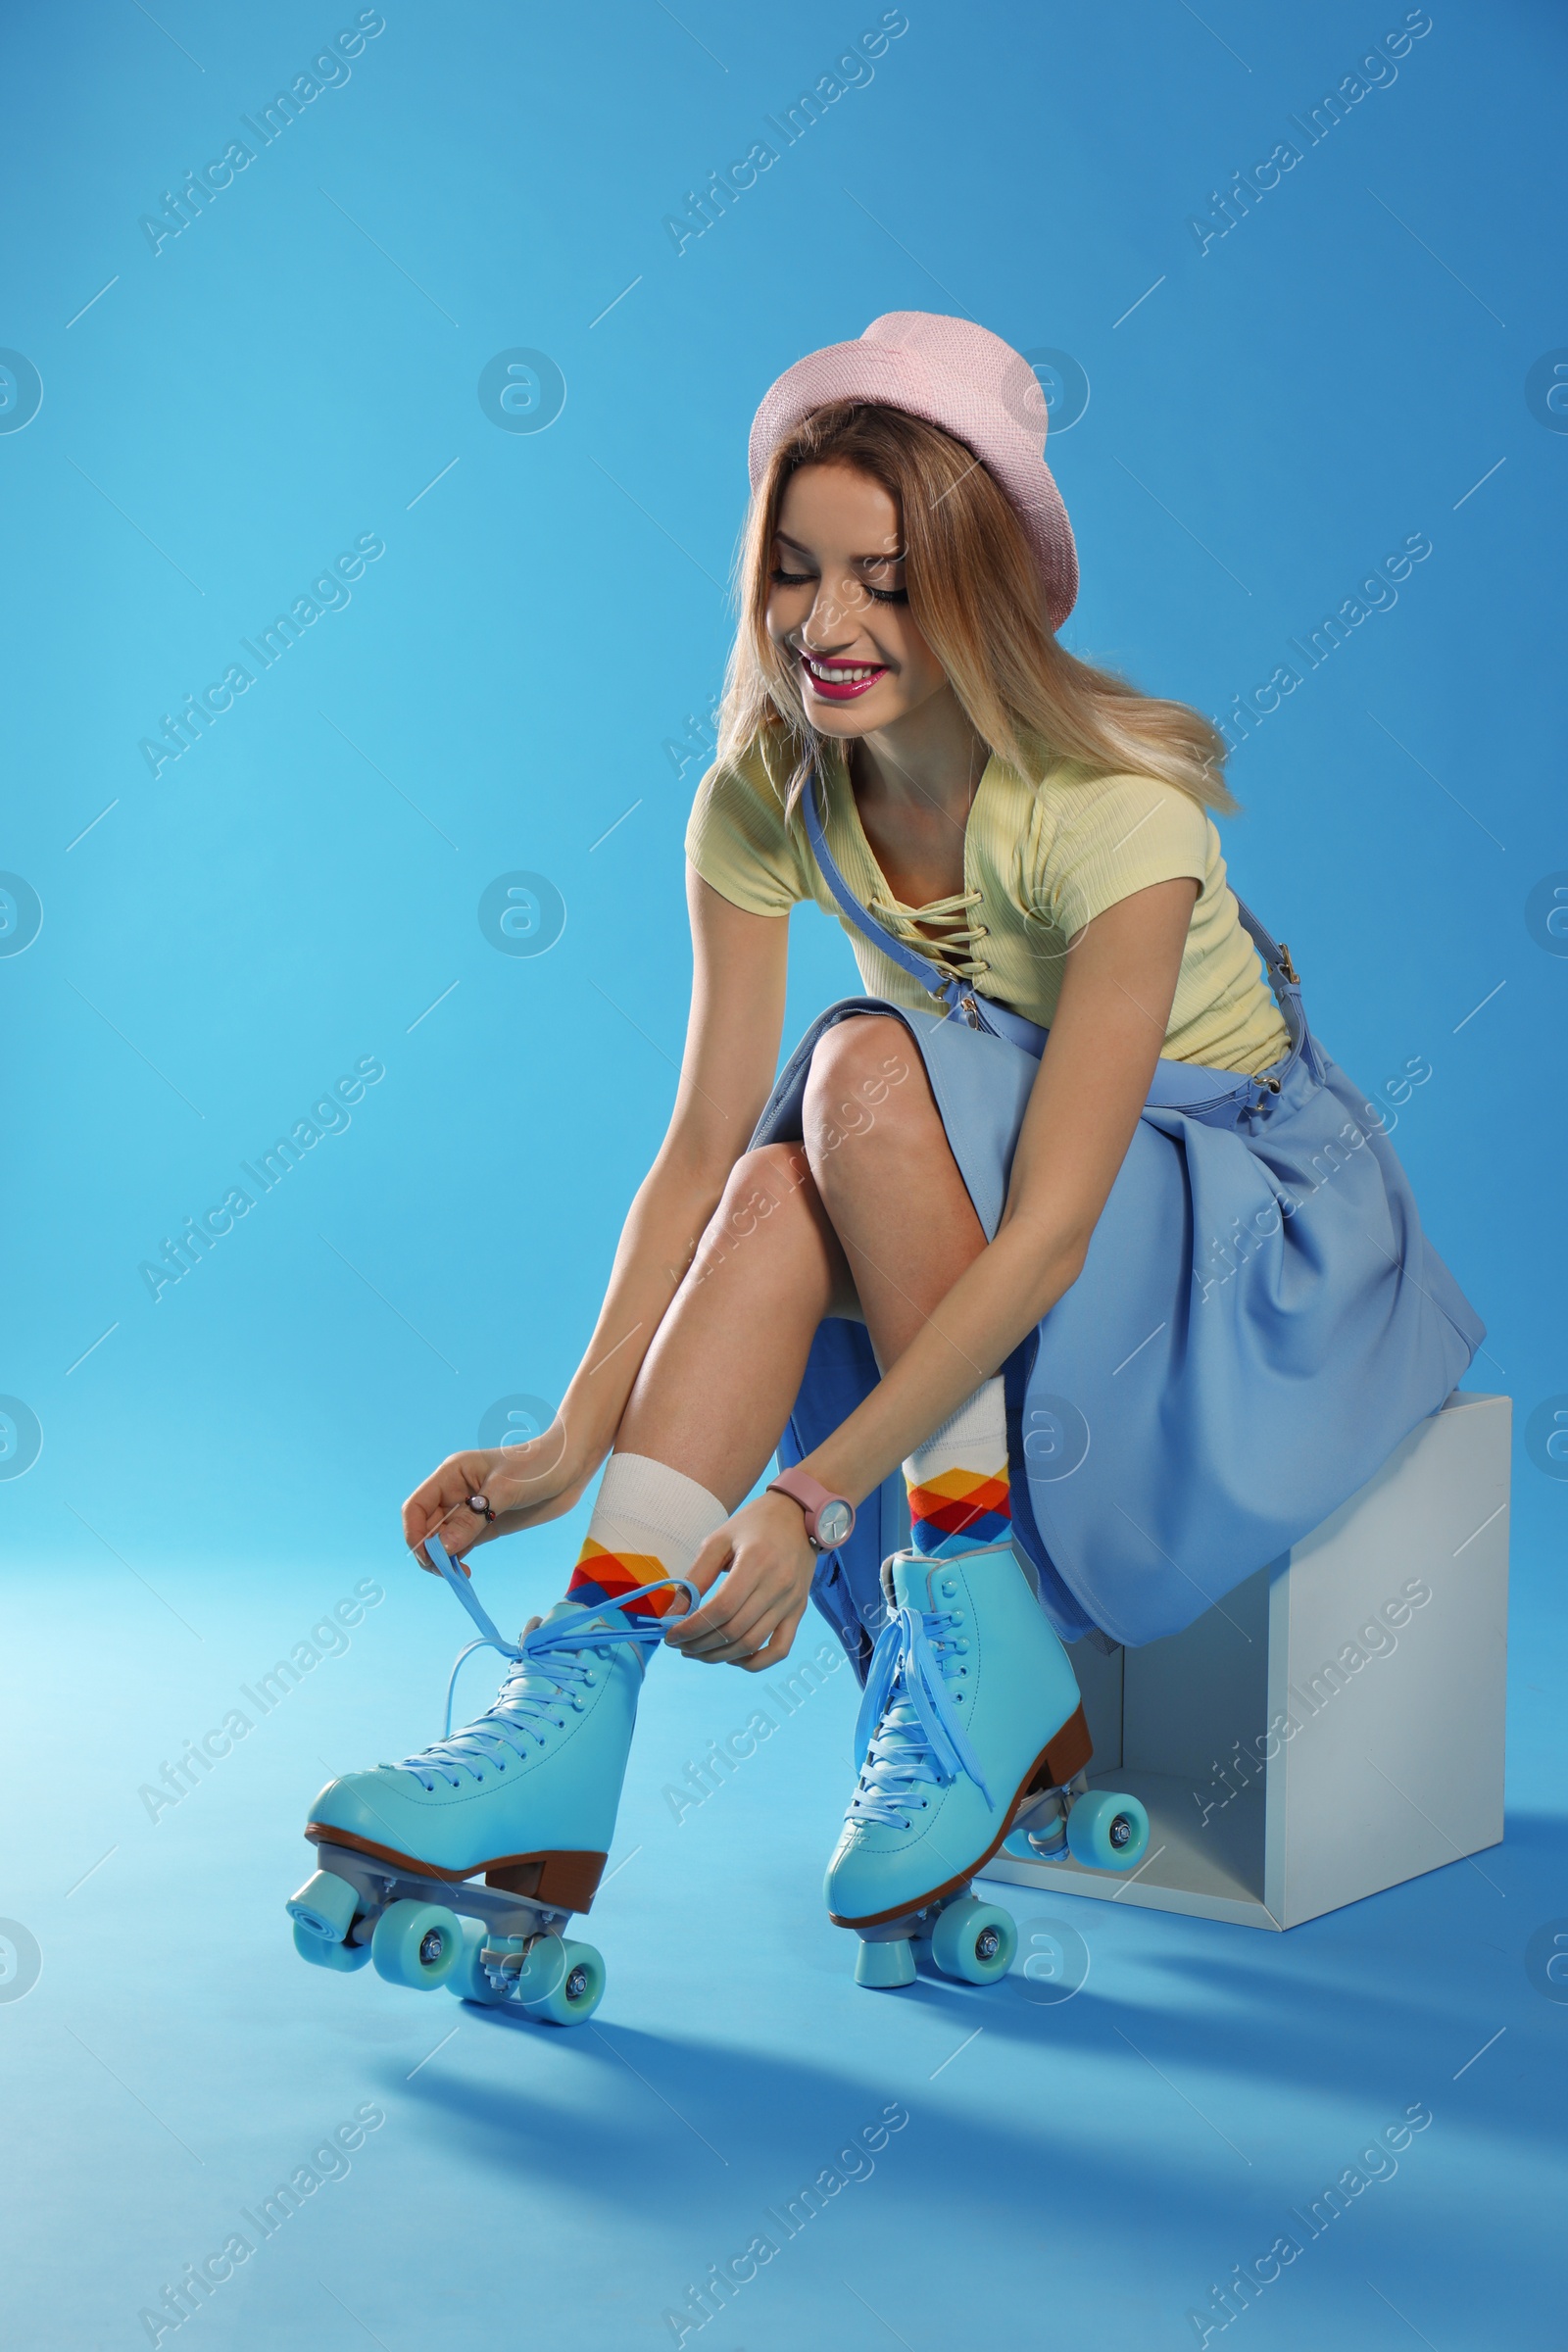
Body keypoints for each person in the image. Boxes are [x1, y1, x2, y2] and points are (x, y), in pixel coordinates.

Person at [300, 313, 1483, 1990]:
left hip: (1240, 1233)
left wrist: (814, 1494)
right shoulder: (766, 798)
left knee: (853, 1059)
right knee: (788, 1158)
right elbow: (708, 1134)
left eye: (889, 578)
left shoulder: (1113, 813)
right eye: (798, 571)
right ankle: (582, 1684)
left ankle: (974, 1590)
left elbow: (1062, 1220)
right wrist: (570, 1439)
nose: (829, 625)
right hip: (957, 1173)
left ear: (979, 590)